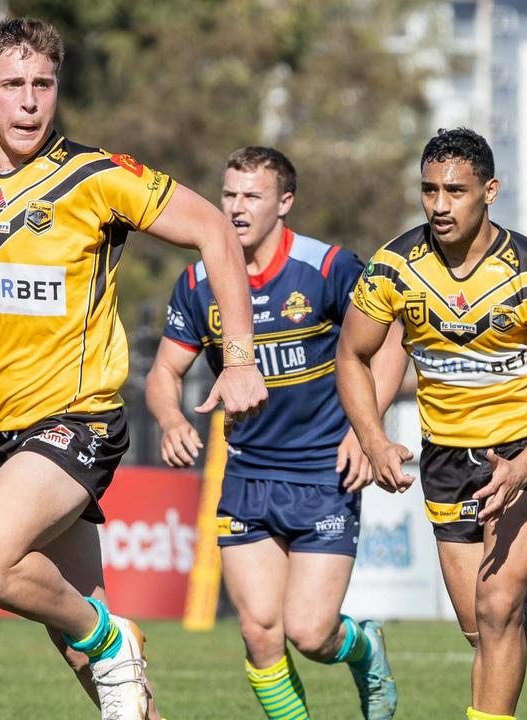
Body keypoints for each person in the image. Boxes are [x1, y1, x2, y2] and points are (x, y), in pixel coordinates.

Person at [0, 18, 267, 720]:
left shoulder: (99, 177)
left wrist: (237, 358)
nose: (28, 102)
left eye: (42, 85)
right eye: (12, 85)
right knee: (103, 680)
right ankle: (112, 652)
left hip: (78, 422)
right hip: (2, 435)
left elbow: (212, 230)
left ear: (57, 91)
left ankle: (114, 638)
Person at [335, 128, 527, 720]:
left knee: (499, 604)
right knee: (485, 630)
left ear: (490, 191)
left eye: (456, 190)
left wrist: (524, 468)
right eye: (429, 190)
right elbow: (352, 355)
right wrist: (372, 439)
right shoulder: (394, 267)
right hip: (448, 458)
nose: (440, 205)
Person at [145, 146, 407, 720]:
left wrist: (367, 430)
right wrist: (170, 420)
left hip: (324, 472)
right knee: (261, 633)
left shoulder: (329, 268)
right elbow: (164, 371)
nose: (236, 208)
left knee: (310, 634)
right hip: (248, 474)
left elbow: (389, 341)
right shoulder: (197, 281)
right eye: (229, 195)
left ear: (284, 202)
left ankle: (365, 649)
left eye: (251, 196)